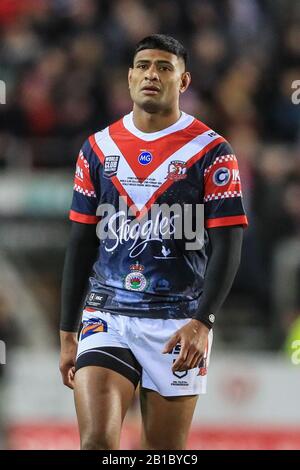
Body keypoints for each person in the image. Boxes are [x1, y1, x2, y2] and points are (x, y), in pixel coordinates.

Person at [59, 34, 248, 450]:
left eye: (164, 67)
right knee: (97, 444)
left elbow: (229, 245)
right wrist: (67, 330)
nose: (151, 74)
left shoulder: (211, 152)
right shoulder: (96, 148)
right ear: (129, 78)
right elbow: (80, 244)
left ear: (184, 82)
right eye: (143, 66)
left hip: (178, 322)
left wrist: (203, 322)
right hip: (107, 315)